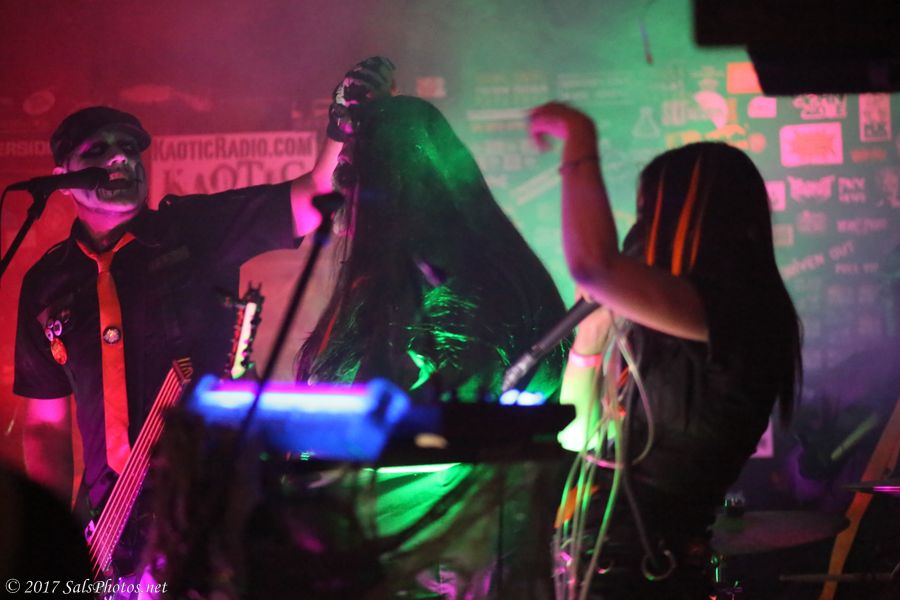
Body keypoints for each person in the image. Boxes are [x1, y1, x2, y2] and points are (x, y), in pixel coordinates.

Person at [12, 58, 393, 582]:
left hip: (211, 509)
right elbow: (43, 428)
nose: (121, 157)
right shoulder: (46, 283)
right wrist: (51, 543)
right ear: (63, 180)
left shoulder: (192, 230)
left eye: (130, 147)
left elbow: (312, 198)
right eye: (97, 151)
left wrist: (340, 126)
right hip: (107, 530)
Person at [528, 102, 803, 599]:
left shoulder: (740, 313)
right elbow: (577, 434)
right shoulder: (672, 336)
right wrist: (590, 338)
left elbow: (594, 265)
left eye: (648, 214)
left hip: (648, 577)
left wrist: (578, 134)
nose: (640, 232)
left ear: (690, 219)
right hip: (599, 571)